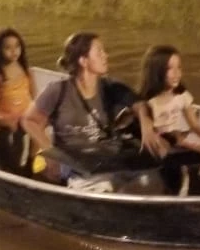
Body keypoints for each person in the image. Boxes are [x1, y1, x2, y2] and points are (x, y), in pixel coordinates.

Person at [21, 32, 143, 178]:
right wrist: (50, 152)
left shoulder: (110, 87)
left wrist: (143, 127)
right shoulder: (59, 90)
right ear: (84, 61)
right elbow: (29, 120)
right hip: (72, 161)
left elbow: (141, 105)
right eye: (99, 52)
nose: (106, 55)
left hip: (105, 155)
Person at [135, 44, 200, 194]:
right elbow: (159, 136)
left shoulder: (181, 97)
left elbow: (195, 126)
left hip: (180, 142)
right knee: (199, 154)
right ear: (157, 71)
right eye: (170, 69)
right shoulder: (148, 104)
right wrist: (195, 146)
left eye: (179, 67)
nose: (176, 74)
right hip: (165, 147)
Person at [0, 27, 35, 172]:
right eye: (8, 48)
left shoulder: (27, 70)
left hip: (24, 115)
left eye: (17, 46)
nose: (14, 51)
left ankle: (30, 164)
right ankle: (11, 167)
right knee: (11, 132)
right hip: (5, 116)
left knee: (37, 126)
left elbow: (34, 97)